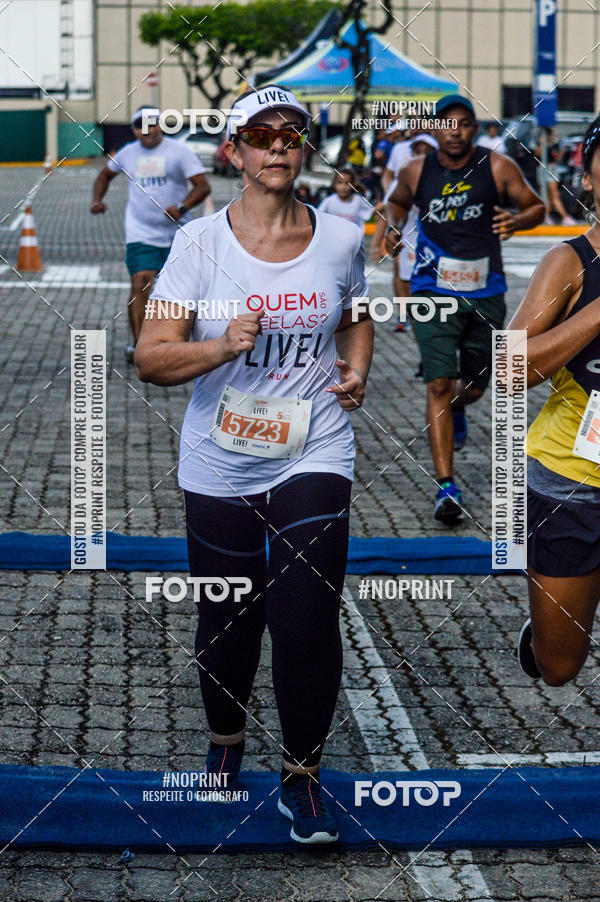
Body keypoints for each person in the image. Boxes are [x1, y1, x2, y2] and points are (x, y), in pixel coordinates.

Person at [134, 84, 373, 844]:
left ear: (302, 148)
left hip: (315, 445)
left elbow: (358, 314)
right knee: (229, 619)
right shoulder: (199, 245)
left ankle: (301, 780)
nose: (278, 145)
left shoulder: (340, 237)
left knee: (305, 617)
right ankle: (225, 747)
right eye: (262, 134)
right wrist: (221, 346)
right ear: (234, 151)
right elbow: (150, 358)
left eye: (291, 134)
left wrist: (356, 369)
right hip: (219, 458)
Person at [385, 94, 545, 523]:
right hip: (431, 290)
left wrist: (517, 221)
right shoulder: (416, 170)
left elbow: (536, 207)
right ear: (434, 129)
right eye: (446, 122)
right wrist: (391, 225)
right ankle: (446, 487)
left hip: (485, 291)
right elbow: (396, 201)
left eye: (464, 123)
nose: (454, 129)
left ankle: (457, 407)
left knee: (473, 388)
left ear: (475, 129)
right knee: (439, 383)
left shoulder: (497, 166)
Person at [510, 115, 600, 686]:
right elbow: (511, 369)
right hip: (572, 479)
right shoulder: (569, 263)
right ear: (587, 179)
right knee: (560, 667)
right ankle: (543, 636)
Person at [91, 106, 211, 361]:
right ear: (134, 129)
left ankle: (185, 342)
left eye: (152, 124)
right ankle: (139, 346)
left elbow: (203, 186)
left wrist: (182, 207)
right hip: (140, 232)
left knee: (185, 291)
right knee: (140, 282)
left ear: (160, 126)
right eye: (139, 125)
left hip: (177, 234)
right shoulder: (127, 153)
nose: (146, 130)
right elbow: (104, 175)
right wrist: (97, 200)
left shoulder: (180, 152)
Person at [372, 134, 438, 334]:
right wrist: (377, 245)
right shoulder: (401, 182)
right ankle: (405, 316)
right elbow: (386, 214)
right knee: (403, 275)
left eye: (427, 153)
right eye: (417, 152)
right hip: (408, 240)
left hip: (435, 242)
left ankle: (430, 316)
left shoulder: (444, 181)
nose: (421, 156)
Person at [536, 129, 577, 225]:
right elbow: (537, 154)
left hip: (553, 168)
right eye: (552, 135)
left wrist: (563, 151)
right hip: (545, 168)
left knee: (551, 196)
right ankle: (564, 217)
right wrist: (542, 144)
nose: (554, 136)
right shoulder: (543, 145)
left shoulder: (555, 145)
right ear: (548, 136)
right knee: (552, 195)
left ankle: (545, 216)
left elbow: (557, 159)